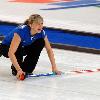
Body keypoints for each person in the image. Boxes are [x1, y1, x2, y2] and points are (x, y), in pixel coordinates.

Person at [0, 14, 61, 80]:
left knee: (40, 42)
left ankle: (26, 68)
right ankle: (15, 67)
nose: (40, 26)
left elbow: (49, 50)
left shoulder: (41, 33)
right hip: (6, 48)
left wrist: (54, 67)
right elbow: (11, 53)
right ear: (30, 25)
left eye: (41, 23)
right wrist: (19, 70)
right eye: (37, 24)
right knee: (17, 68)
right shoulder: (21, 31)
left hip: (22, 48)